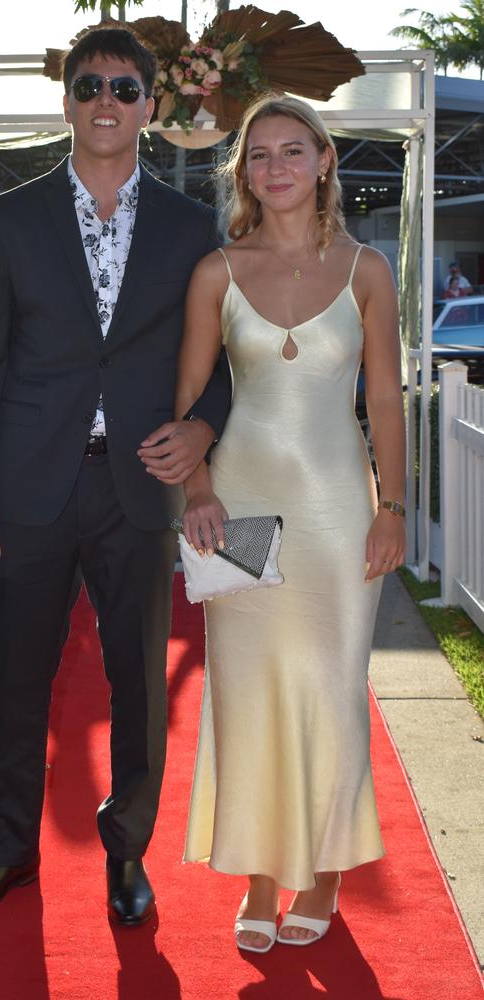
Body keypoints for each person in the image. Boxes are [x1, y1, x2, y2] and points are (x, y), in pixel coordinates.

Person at [0, 27, 231, 923]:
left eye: (124, 87)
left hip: (137, 486)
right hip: (28, 488)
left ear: (151, 106)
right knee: (20, 674)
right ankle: (8, 853)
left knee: (140, 678)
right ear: (68, 100)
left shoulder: (191, 228)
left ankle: (127, 855)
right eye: (89, 85)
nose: (106, 101)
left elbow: (223, 360)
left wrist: (201, 425)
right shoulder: (18, 217)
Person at [173, 95, 406, 954]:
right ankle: (263, 879)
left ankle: (330, 870)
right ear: (244, 174)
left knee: (333, 691)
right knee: (248, 692)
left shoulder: (367, 269)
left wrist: (392, 505)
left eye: (292, 150)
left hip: (341, 511)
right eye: (259, 155)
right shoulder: (216, 272)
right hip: (240, 508)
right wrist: (195, 488)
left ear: (323, 161)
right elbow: (189, 400)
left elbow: (383, 397)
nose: (276, 166)